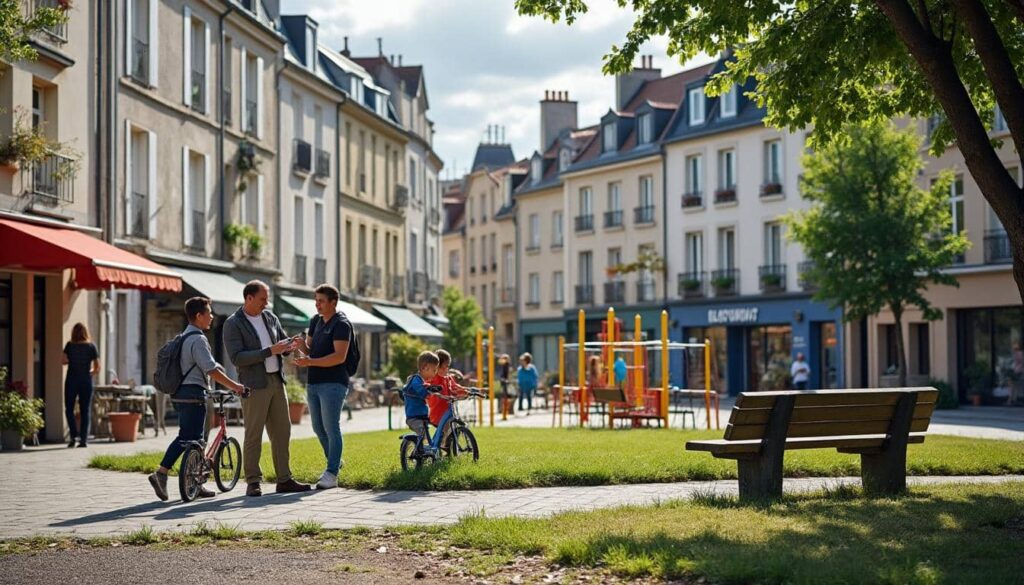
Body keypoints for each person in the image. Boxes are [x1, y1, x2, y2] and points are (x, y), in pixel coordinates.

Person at [148, 297, 246, 501]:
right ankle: (162, 473)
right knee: (188, 438)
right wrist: (235, 386)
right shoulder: (198, 339)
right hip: (194, 395)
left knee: (194, 440)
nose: (212, 316)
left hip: (181, 393)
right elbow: (210, 369)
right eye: (209, 312)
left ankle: (196, 483)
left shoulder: (184, 337)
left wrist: (216, 366)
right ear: (199, 315)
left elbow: (205, 364)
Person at [223, 280, 311, 497]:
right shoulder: (233, 323)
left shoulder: (270, 317)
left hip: (276, 381)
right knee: (254, 434)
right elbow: (237, 358)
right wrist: (269, 350)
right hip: (254, 384)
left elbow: (281, 345)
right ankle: (253, 481)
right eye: (263, 299)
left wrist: (290, 345)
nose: (266, 303)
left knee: (282, 432)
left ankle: (284, 479)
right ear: (249, 298)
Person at [293, 284, 353, 490]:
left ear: (333, 303)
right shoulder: (315, 321)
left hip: (334, 382)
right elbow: (310, 349)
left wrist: (309, 362)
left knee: (331, 426)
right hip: (314, 381)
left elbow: (339, 356)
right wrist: (301, 345)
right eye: (316, 300)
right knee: (318, 427)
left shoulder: (341, 324)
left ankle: (332, 473)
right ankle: (334, 461)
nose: (316, 304)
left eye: (321, 301)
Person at [61, 323, 100, 448]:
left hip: (72, 379)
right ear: (85, 332)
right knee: (85, 410)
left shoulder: (69, 345)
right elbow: (97, 367)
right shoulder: (91, 346)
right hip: (85, 381)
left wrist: (72, 361)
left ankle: (73, 436)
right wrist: (89, 373)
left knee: (69, 409)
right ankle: (83, 440)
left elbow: (63, 361)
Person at [426, 349, 470, 450]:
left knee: (450, 429)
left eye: (448, 366)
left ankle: (445, 449)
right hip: (438, 413)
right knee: (446, 430)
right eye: (444, 367)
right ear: (437, 367)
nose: (447, 369)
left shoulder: (447, 378)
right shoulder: (433, 379)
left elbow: (455, 387)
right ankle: (440, 449)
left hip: (448, 410)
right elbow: (431, 391)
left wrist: (466, 391)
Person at [404, 351, 440, 451]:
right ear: (425, 368)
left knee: (428, 432)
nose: (435, 372)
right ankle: (418, 453)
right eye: (434, 370)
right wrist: (426, 392)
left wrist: (434, 389)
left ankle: (429, 450)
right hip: (414, 417)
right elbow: (419, 389)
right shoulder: (415, 379)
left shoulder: (422, 381)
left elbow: (425, 388)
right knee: (422, 432)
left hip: (422, 416)